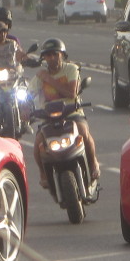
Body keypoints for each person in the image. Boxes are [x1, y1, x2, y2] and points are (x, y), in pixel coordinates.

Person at [30, 39, 99, 189]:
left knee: (83, 131)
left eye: (55, 54)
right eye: (48, 55)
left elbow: (71, 92)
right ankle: (43, 173)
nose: (52, 58)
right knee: (38, 144)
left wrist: (48, 79)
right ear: (44, 58)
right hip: (48, 117)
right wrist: (24, 109)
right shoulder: (38, 77)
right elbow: (29, 95)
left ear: (63, 55)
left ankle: (93, 164)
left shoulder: (71, 69)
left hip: (71, 112)